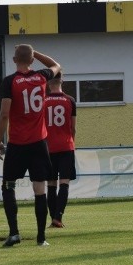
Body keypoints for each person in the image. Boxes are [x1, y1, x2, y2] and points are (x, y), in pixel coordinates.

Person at [0, 44, 61, 247]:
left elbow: (5, 113)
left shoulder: (10, 81)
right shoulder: (41, 76)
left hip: (17, 143)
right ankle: (41, 237)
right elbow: (56, 65)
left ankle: (14, 232)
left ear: (15, 60)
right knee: (39, 189)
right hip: (39, 143)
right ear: (32, 60)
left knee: (8, 185)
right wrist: (36, 53)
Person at [44, 72, 76, 228]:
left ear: (48, 83)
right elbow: (73, 127)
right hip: (66, 146)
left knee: (51, 183)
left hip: (48, 148)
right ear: (62, 81)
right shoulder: (70, 101)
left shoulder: (43, 101)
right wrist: (71, 143)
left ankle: (53, 218)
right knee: (64, 183)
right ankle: (58, 217)